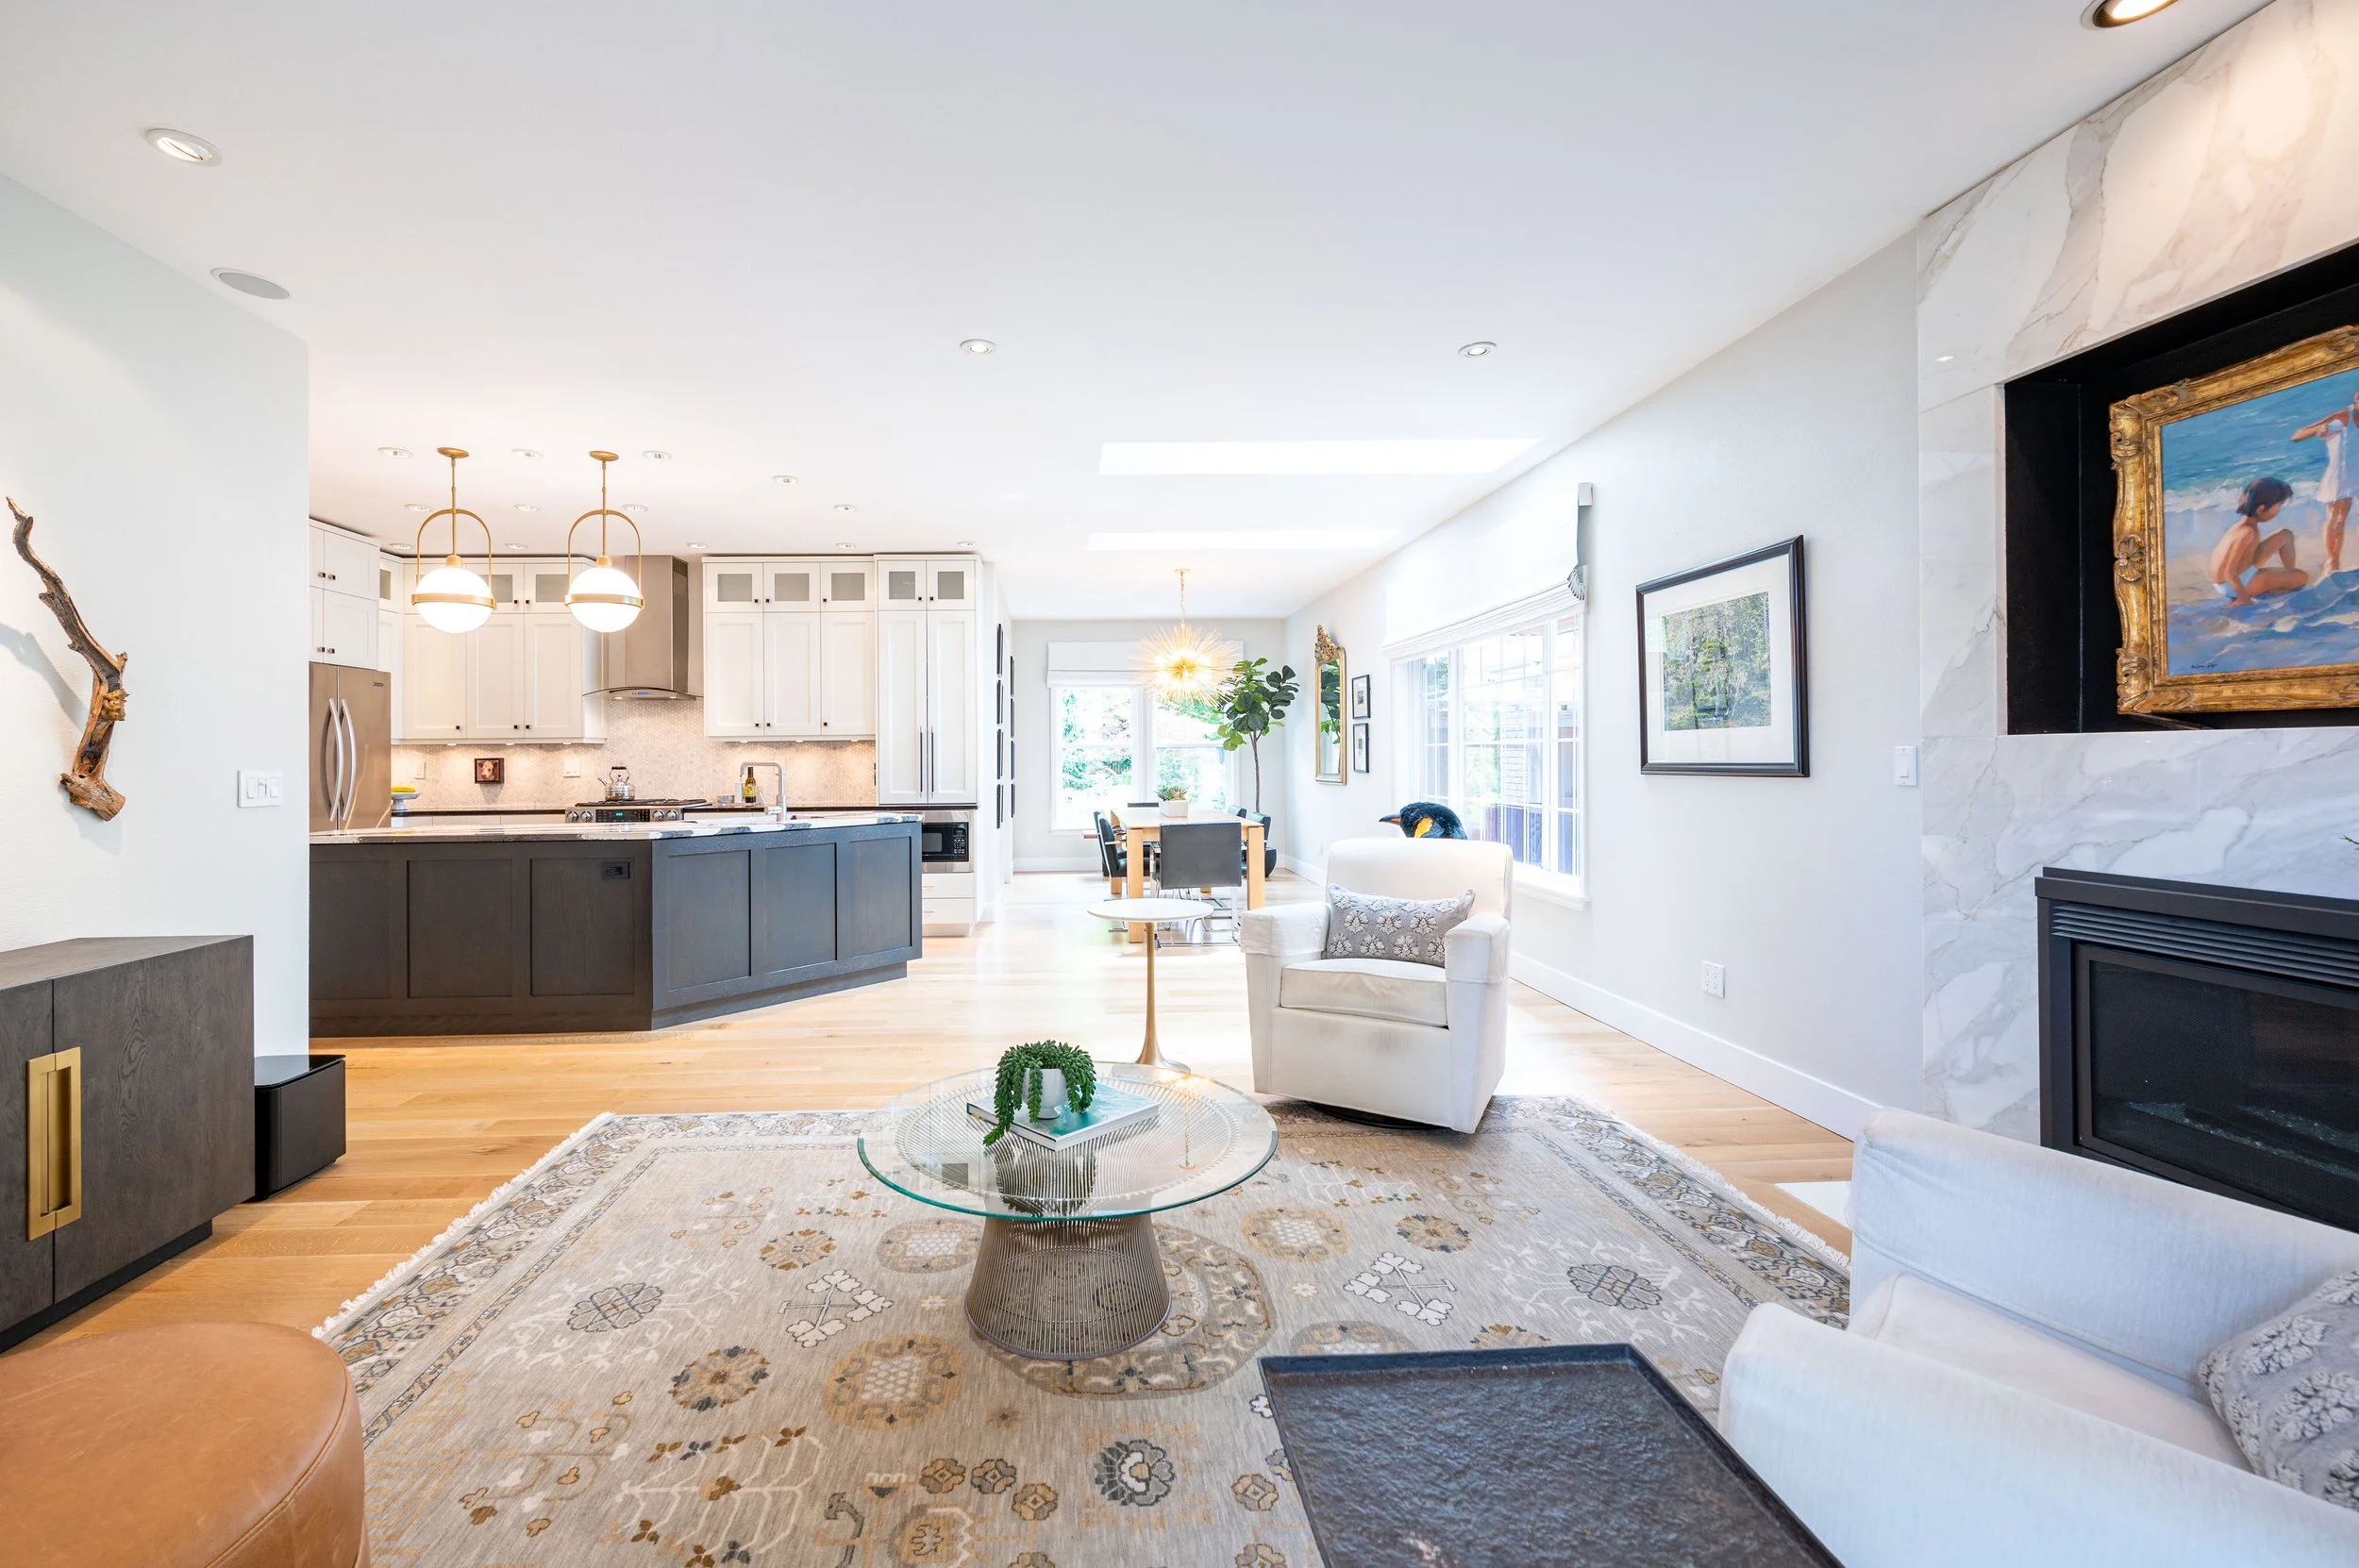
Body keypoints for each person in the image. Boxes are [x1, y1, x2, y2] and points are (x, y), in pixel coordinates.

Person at [2210, 476, 2305, 607]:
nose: (2278, 511)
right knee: (2302, 577)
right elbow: (2229, 572)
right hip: (2232, 585)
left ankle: (2287, 577)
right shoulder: (2247, 533)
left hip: (2238, 575)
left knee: (2285, 535)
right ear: (2261, 509)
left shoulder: (2242, 526)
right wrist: (2244, 600)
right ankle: (2284, 582)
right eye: (2278, 506)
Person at [2291, 391, 2359, 573]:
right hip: (2340, 478)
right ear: (2356, 398)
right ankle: (2333, 561)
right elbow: (2297, 435)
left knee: (2344, 520)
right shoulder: (2342, 418)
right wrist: (2317, 430)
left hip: (2357, 477)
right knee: (2336, 521)